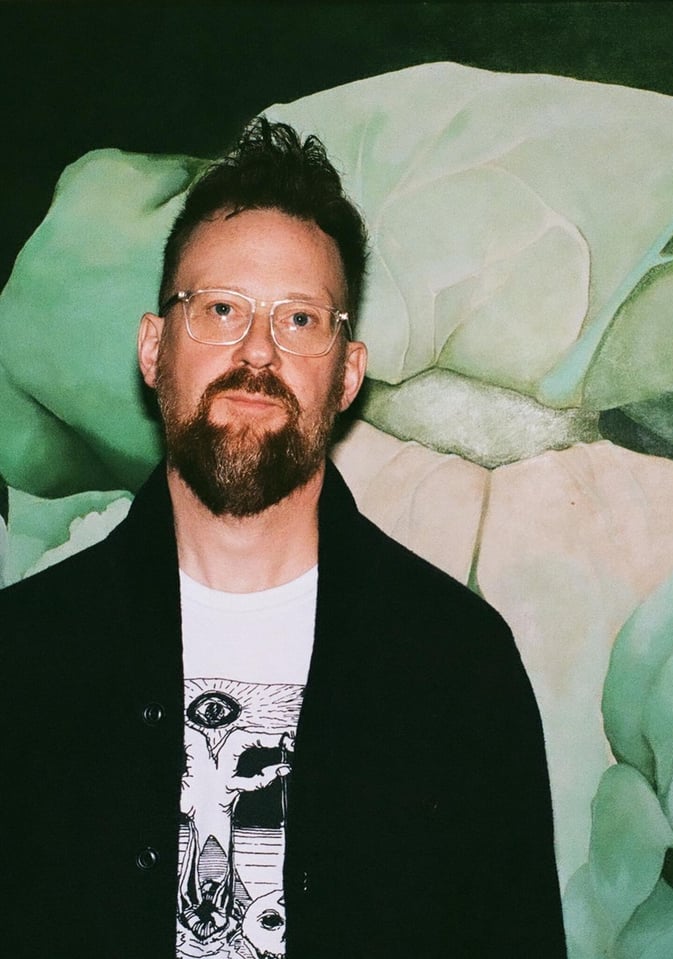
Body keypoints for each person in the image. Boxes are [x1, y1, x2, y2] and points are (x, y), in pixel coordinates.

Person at [1, 118, 567, 958]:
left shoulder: (458, 668)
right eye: (220, 308)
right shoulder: (25, 659)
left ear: (346, 372)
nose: (257, 350)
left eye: (301, 319)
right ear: (154, 350)